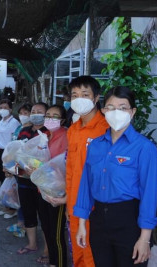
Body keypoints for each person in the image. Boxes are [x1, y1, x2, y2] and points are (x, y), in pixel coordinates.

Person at [74, 86, 157, 267]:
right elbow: (86, 186)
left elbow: (149, 194)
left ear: (132, 112)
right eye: (111, 107)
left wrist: (145, 238)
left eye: (123, 108)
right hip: (98, 221)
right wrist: (82, 223)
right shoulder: (96, 145)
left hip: (129, 221)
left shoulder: (144, 148)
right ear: (104, 110)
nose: (117, 112)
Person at [53, 75, 109, 267]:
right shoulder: (73, 129)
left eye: (85, 94)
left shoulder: (106, 129)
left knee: (93, 254)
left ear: (95, 98)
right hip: (75, 204)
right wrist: (69, 199)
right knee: (77, 251)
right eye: (75, 95)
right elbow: (71, 170)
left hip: (96, 206)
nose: (79, 99)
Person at [13, 102, 50, 256]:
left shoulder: (49, 132)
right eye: (33, 111)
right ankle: (32, 244)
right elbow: (17, 151)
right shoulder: (24, 130)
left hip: (43, 182)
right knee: (28, 212)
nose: (35, 113)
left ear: (46, 114)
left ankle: (48, 250)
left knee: (45, 216)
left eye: (39, 111)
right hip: (23, 178)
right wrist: (13, 167)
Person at [37, 105, 69, 267]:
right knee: (47, 228)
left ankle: (59, 263)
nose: (50, 118)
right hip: (42, 189)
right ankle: (52, 261)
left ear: (62, 120)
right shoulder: (45, 135)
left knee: (57, 234)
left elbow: (65, 165)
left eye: (55, 116)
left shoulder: (65, 136)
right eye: (48, 115)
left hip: (57, 191)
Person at [6, 103, 33, 238]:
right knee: (19, 195)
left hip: (26, 169)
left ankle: (25, 225)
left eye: (26, 113)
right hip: (16, 166)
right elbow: (12, 147)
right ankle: (21, 223)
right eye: (21, 113)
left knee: (25, 198)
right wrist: (10, 167)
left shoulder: (32, 130)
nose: (23, 116)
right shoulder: (19, 128)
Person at [0, 99, 21, 218]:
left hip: (9, 153)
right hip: (0, 151)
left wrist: (11, 157)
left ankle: (13, 208)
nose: (3, 110)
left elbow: (15, 141)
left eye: (5, 108)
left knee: (11, 180)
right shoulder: (1, 121)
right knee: (3, 179)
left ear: (10, 109)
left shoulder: (14, 122)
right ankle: (6, 205)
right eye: (1, 107)